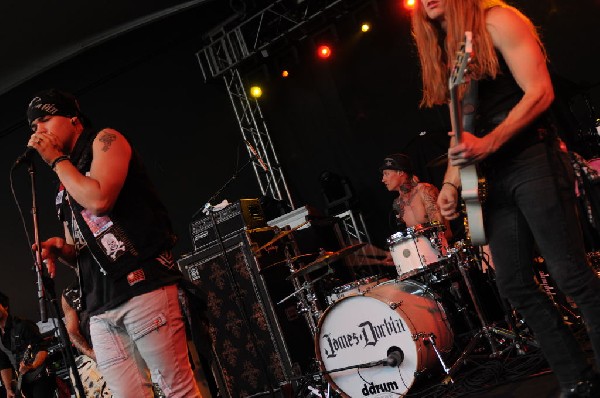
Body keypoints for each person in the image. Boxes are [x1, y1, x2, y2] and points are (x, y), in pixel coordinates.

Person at [411, 1, 600, 396]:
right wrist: (448, 186)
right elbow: (460, 135)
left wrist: (491, 142)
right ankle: (576, 379)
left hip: (533, 159)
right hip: (492, 179)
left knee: (570, 275)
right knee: (513, 282)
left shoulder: (496, 19)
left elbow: (541, 91)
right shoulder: (452, 49)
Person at [26, 89, 201, 397]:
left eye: (44, 120)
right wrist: (61, 250)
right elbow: (83, 249)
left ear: (73, 119)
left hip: (142, 289)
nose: (38, 131)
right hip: (99, 307)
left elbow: (100, 199)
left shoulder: (106, 141)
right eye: (33, 127)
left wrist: (56, 161)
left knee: (177, 391)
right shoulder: (65, 179)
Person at [380, 153, 452, 241]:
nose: (383, 179)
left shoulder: (424, 190)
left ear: (400, 172)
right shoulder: (397, 203)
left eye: (386, 174)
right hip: (421, 251)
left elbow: (440, 228)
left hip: (442, 246)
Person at [0, 291, 55, 398]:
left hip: (40, 377)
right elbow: (3, 364)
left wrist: (33, 365)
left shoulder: (23, 325)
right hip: (23, 382)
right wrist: (8, 389)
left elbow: (42, 349)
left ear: (5, 306)